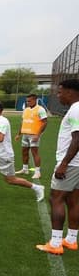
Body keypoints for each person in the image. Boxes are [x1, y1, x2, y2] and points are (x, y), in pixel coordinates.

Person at [36, 79, 79, 255]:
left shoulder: (76, 109)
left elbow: (77, 138)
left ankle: (55, 243)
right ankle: (71, 240)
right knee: (74, 200)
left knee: (56, 198)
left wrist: (64, 163)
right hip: (76, 164)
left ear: (70, 92)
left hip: (71, 164)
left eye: (60, 92)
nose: (58, 95)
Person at [15, 94, 48, 179]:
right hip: (25, 135)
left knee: (34, 153)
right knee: (24, 152)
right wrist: (19, 134)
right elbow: (23, 122)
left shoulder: (40, 109)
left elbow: (45, 122)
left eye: (29, 101)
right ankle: (25, 169)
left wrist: (38, 134)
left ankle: (37, 172)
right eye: (27, 101)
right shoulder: (26, 110)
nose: (27, 102)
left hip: (34, 135)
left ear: (35, 100)